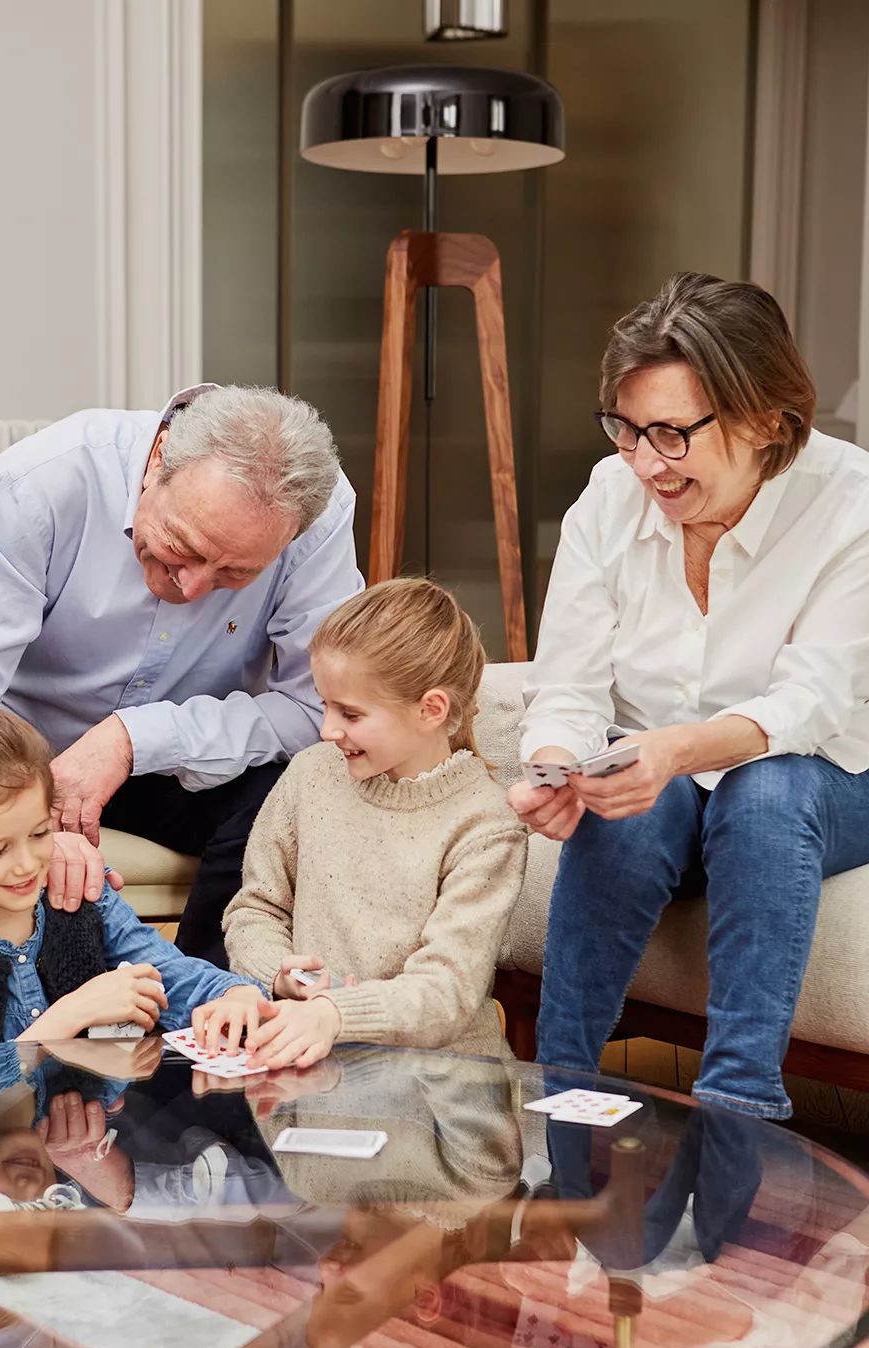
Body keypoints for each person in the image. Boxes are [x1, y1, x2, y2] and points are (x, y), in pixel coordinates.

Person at [0, 383, 361, 1181]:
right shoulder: (46, 481)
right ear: (157, 463)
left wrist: (135, 737)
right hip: (3, 740)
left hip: (171, 753)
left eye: (234, 572)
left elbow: (313, 708)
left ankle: (190, 1059)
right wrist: (24, 814)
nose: (193, 585)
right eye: (181, 547)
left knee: (300, 781)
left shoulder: (318, 511)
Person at [507, 272, 869, 1120]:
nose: (641, 463)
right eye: (626, 431)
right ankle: (558, 1091)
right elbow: (565, 682)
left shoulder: (851, 501)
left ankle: (739, 1110)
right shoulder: (610, 494)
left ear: (766, 422)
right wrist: (556, 768)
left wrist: (669, 748)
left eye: (670, 435)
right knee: (626, 804)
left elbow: (808, 705)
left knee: (765, 788)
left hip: (833, 778)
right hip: (672, 783)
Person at [0, 703, 267, 1108]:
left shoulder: (79, 889)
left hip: (71, 1133)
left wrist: (231, 994)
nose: (27, 865)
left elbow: (170, 974)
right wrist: (71, 1015)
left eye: (40, 833)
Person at [202, 578, 527, 1067]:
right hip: (303, 1061)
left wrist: (336, 1013)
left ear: (431, 710)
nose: (327, 729)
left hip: (442, 1084)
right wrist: (277, 972)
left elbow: (446, 991)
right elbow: (255, 909)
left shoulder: (487, 826)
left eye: (350, 714)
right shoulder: (310, 774)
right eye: (324, 704)